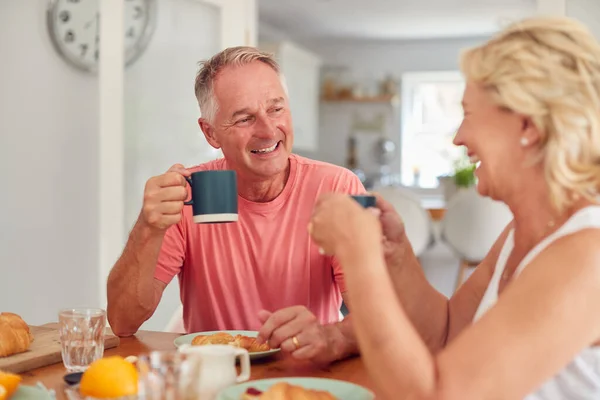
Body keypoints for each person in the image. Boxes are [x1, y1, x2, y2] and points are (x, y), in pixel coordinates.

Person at [309, 16, 600, 400]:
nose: (460, 138)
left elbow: (436, 395)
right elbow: (446, 332)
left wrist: (358, 255)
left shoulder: (586, 254)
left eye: (470, 114)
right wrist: (395, 257)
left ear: (528, 125)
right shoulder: (521, 233)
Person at [106, 47, 364, 364]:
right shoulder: (187, 193)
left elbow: (376, 317)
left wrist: (332, 336)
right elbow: (122, 321)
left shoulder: (338, 187)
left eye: (276, 109)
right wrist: (147, 228)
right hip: (214, 377)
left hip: (305, 374)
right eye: (244, 118)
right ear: (210, 133)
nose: (268, 131)